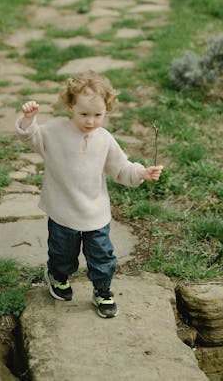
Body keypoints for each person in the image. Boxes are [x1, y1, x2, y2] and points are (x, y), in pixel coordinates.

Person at [16, 70, 163, 319]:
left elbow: (121, 168)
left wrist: (141, 173)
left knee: (102, 255)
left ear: (107, 110)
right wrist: (28, 119)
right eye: (84, 114)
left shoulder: (104, 139)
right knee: (63, 252)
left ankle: (102, 290)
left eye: (98, 115)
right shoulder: (55, 131)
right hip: (63, 209)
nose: (91, 121)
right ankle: (58, 276)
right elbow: (32, 138)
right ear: (71, 106)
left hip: (95, 212)